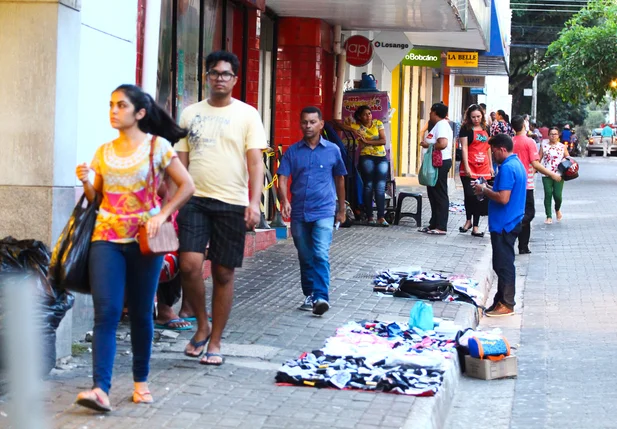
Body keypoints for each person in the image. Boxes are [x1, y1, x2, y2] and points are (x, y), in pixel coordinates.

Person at [74, 85, 195, 411]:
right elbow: (95, 200)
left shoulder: (159, 148)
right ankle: (100, 389)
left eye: (121, 105)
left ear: (140, 113)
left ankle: (141, 383)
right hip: (106, 240)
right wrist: (86, 180)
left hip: (145, 240)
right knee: (107, 312)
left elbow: (187, 185)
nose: (114, 110)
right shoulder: (103, 152)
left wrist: (164, 215)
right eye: (111, 104)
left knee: (142, 312)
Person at [176, 50, 267, 365]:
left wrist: (254, 203)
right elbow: (181, 162)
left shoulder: (247, 115)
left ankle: (215, 341)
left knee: (223, 272)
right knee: (188, 265)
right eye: (214, 73)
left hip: (232, 202)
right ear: (207, 76)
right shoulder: (189, 114)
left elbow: (255, 161)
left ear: (235, 79)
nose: (220, 78)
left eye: (226, 74)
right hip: (195, 200)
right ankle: (202, 325)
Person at [277, 106, 347, 314]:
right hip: (299, 211)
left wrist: (341, 209)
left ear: (321, 124)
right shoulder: (293, 151)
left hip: (324, 211)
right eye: (305, 122)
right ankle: (310, 294)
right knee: (305, 256)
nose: (308, 126)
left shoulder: (333, 150)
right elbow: (282, 178)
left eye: (312, 122)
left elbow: (340, 179)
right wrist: (284, 200)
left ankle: (321, 297)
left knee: (320, 253)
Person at [473, 134, 526, 317]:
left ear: (502, 149)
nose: (492, 154)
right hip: (509, 221)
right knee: (501, 264)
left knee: (504, 265)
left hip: (505, 224)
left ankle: (507, 303)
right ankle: (500, 300)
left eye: (494, 150)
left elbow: (503, 198)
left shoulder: (507, 168)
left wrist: (483, 190)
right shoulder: (516, 164)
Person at [511, 116, 562, 254]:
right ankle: (513, 230)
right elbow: (535, 163)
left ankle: (523, 246)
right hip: (526, 185)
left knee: (521, 214)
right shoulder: (530, 142)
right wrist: (552, 174)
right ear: (523, 126)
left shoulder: (510, 141)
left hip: (512, 183)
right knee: (529, 214)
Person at [349, 105, 389, 226]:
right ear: (360, 117)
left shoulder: (378, 123)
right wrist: (351, 129)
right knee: (368, 186)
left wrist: (367, 142)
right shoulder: (357, 127)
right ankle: (370, 216)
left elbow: (383, 141)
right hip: (366, 157)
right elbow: (338, 125)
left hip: (381, 157)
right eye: (365, 114)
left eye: (370, 113)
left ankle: (381, 217)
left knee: (380, 187)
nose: (368, 116)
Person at [458, 104, 493, 237]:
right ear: (469, 117)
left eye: (478, 116)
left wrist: (490, 166)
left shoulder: (486, 128)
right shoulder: (465, 129)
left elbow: (488, 148)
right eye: (473, 117)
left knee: (479, 196)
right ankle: (468, 220)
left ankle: (476, 226)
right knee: (469, 195)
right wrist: (466, 166)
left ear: (482, 116)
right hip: (469, 166)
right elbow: (465, 148)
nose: (476, 119)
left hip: (483, 167)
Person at [419, 102, 453, 235]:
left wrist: (428, 146)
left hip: (440, 163)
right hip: (435, 162)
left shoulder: (442, 125)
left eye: (431, 112)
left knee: (439, 193)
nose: (429, 114)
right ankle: (433, 223)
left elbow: (442, 144)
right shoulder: (439, 125)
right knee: (433, 193)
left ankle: (441, 226)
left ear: (435, 113)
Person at [539, 127, 569, 224]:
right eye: (551, 134)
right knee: (548, 194)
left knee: (557, 196)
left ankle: (557, 209)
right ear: (548, 135)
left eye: (555, 134)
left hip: (559, 175)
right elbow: (538, 159)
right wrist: (533, 170)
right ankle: (548, 216)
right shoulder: (544, 146)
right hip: (546, 173)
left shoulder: (562, 146)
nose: (553, 136)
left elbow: (568, 159)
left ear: (558, 135)